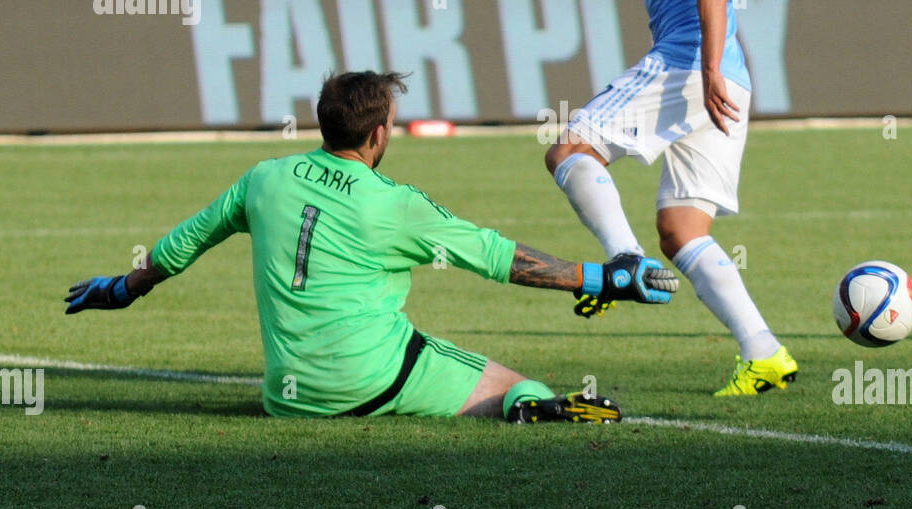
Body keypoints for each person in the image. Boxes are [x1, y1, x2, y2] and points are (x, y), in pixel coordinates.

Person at [64, 71, 678, 423]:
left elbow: (177, 248)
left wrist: (121, 288)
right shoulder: (394, 203)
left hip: (286, 398)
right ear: (380, 132)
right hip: (375, 382)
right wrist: (606, 279)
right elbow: (499, 258)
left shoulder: (264, 178)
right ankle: (533, 410)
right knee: (523, 388)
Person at [545, 0, 797, 398]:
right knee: (683, 231)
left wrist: (705, 67)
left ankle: (624, 262)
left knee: (568, 149)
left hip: (691, 68)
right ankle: (765, 353)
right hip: (728, 80)